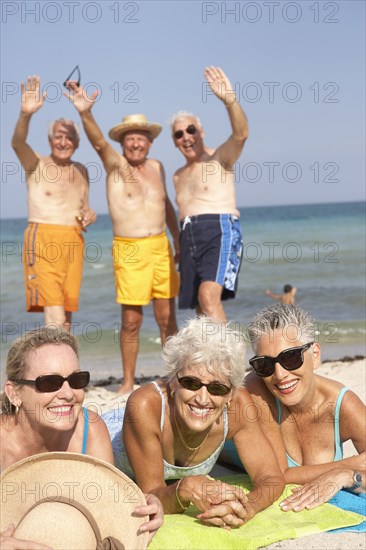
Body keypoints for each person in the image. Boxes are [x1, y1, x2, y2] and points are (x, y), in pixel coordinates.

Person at [102, 317, 284, 529]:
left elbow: (271, 477)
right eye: (191, 383)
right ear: (172, 382)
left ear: (230, 394)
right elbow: (151, 494)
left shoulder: (239, 406)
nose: (202, 399)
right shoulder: (144, 407)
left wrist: (246, 507)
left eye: (217, 388)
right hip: (110, 436)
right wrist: (184, 488)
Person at [0, 327, 163, 548]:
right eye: (49, 383)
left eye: (76, 380)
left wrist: (145, 506)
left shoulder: (91, 431)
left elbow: (106, 506)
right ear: (14, 393)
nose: (68, 394)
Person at [65, 82, 180, 395]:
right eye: (130, 139)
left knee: (167, 316)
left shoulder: (157, 166)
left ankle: (174, 375)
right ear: (124, 142)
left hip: (160, 246)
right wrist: (85, 112)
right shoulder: (116, 166)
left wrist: (178, 239)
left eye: (141, 138)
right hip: (129, 249)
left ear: (149, 142)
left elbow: (166, 204)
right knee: (131, 320)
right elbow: (100, 142)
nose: (136, 144)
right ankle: (128, 381)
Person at [226, 304, 365, 510]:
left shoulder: (344, 405)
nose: (280, 375)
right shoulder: (257, 390)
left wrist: (347, 476)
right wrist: (348, 464)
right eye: (265, 364)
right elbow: (277, 474)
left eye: (290, 357)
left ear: (315, 355)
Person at [11, 76, 97, 332]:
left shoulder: (82, 170)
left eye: (69, 137)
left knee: (66, 319)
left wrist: (90, 215)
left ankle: (66, 371)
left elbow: (85, 208)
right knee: (55, 317)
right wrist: (25, 115)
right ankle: (53, 370)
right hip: (43, 238)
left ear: (77, 143)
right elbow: (17, 143)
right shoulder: (36, 164)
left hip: (73, 241)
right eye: (58, 136)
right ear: (50, 141)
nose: (63, 142)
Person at [171, 66, 249, 322]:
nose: (186, 137)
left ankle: (230, 361)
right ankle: (212, 361)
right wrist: (178, 244)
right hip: (189, 236)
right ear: (175, 141)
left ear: (201, 132)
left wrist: (229, 101)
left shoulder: (219, 158)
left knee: (208, 296)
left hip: (219, 228)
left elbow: (241, 134)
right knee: (199, 309)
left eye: (191, 129)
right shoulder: (178, 175)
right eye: (179, 134)